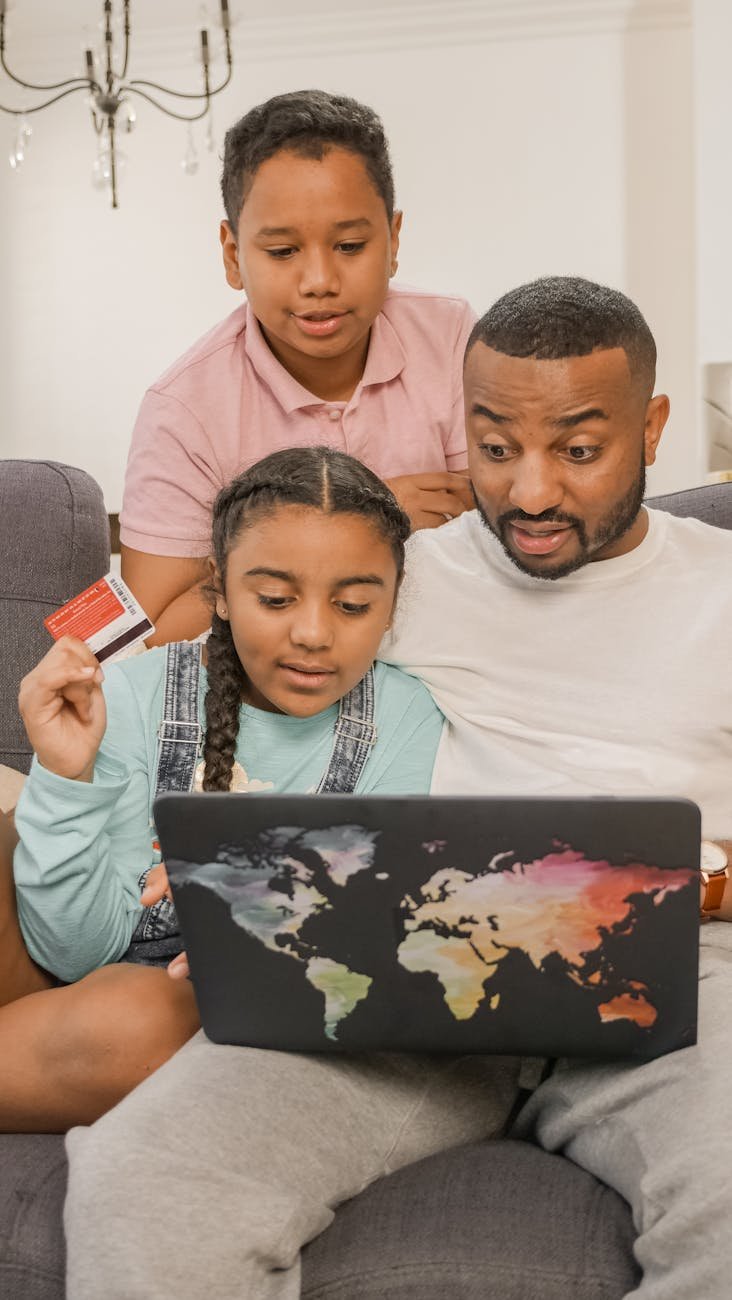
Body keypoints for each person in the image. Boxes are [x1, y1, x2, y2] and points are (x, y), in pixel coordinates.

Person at [64, 277, 732, 1300]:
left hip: (677, 985)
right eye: (495, 446)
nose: (532, 491)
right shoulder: (397, 577)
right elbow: (203, 628)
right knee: (140, 1176)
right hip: (401, 981)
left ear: (652, 427)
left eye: (580, 451)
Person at [3, 447, 444, 1132]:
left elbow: (378, 932)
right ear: (220, 591)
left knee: (142, 1020)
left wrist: (244, 906)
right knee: (121, 1006)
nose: (313, 634)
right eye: (273, 599)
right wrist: (66, 776)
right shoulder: (133, 696)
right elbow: (75, 950)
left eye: (354, 604)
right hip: (95, 975)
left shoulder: (406, 717)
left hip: (248, 1004)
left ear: (392, 604)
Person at [120, 89, 476, 644]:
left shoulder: (451, 339)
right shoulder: (183, 409)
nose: (319, 282)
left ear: (394, 240)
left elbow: (483, 538)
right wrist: (365, 516)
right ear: (234, 256)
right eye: (283, 252)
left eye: (351, 245)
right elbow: (151, 636)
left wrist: (262, 565)